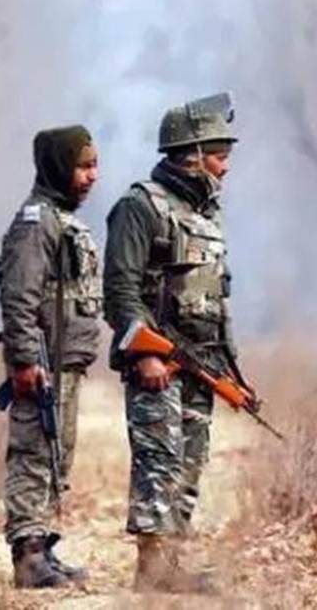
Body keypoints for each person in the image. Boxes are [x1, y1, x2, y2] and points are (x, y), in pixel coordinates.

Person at [102, 94, 239, 593]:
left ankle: (171, 564)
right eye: (220, 155)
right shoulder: (140, 207)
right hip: (157, 362)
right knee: (159, 458)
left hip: (202, 362)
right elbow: (119, 290)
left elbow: (213, 297)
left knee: (191, 460)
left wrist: (228, 368)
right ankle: (152, 568)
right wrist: (147, 352)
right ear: (192, 152)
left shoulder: (206, 214)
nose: (225, 168)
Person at [0, 125, 101, 588]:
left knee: (56, 454)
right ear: (59, 166)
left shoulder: (59, 218)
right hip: (42, 361)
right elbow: (19, 294)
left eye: (95, 165)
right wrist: (23, 359)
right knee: (33, 452)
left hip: (64, 361)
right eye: (83, 166)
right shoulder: (37, 223)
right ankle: (28, 554)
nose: (92, 176)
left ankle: (43, 545)